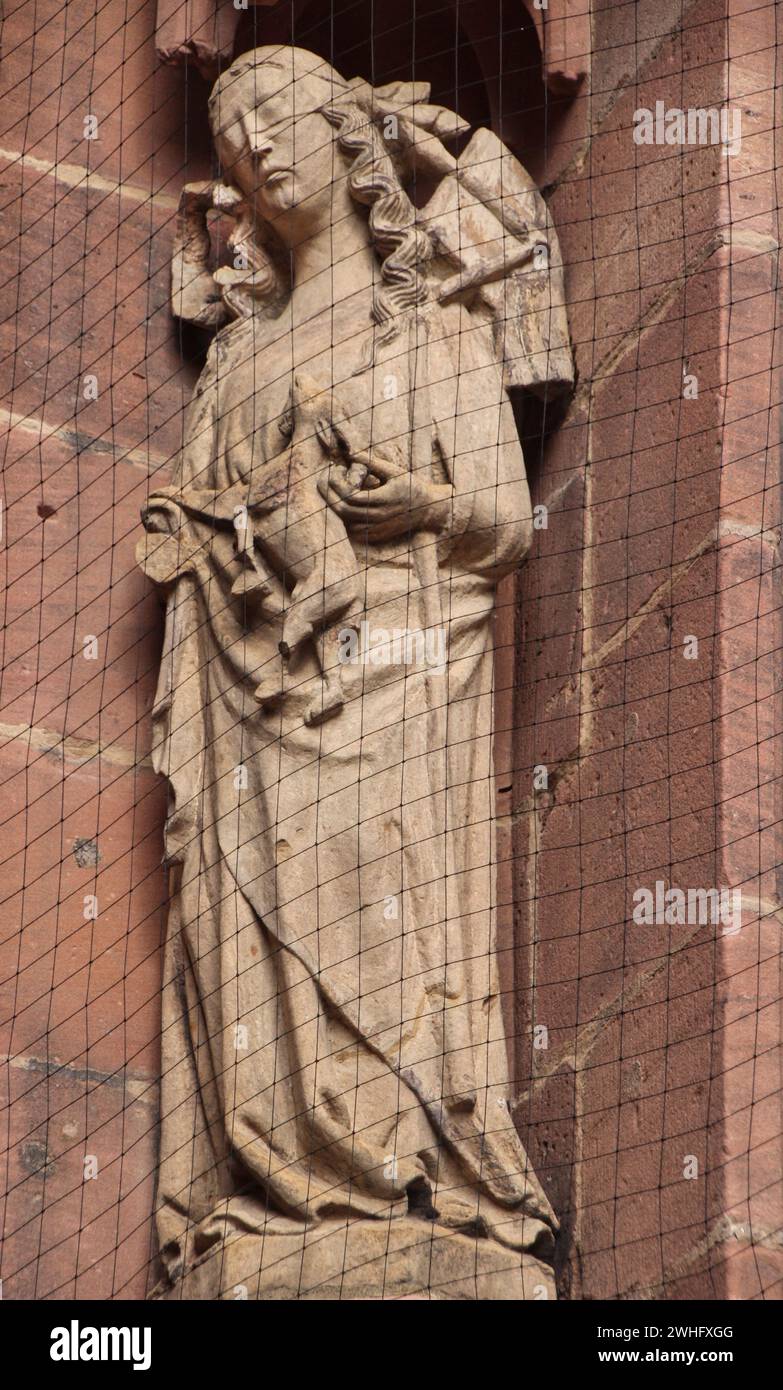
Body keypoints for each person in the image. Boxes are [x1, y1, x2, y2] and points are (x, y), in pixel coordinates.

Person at [139, 44, 569, 1300]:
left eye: (276, 116)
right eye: (232, 143)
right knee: (244, 924)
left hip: (397, 674)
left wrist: (410, 505)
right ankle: (267, 1181)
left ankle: (415, 1159)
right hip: (251, 686)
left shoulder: (425, 325)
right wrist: (226, 543)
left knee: (381, 900)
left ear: (343, 131)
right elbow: (196, 524)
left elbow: (502, 521)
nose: (259, 151)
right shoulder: (234, 361)